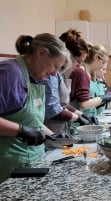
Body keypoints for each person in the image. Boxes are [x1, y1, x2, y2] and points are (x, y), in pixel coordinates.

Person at [0, 33, 70, 182]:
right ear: (42, 53)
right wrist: (21, 130)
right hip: (8, 171)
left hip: (30, 165)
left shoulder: (33, 78)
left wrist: (52, 136)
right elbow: (22, 126)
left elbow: (29, 119)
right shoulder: (10, 73)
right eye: (55, 66)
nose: (54, 73)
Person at [39, 29, 91, 134]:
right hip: (50, 130)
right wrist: (77, 118)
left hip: (60, 130)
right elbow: (53, 109)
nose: (79, 66)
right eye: (78, 61)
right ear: (68, 54)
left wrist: (80, 114)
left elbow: (63, 104)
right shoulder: (49, 74)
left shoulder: (59, 74)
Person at [69, 44, 111, 117]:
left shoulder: (87, 73)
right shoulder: (81, 73)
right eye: (103, 62)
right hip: (78, 121)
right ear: (96, 57)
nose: (102, 66)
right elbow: (84, 104)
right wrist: (104, 98)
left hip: (85, 118)